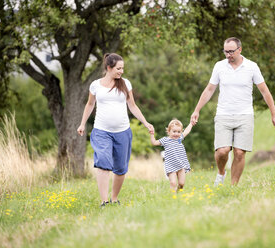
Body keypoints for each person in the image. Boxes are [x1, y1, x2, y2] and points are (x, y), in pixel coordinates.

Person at [191, 37, 275, 186]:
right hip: (223, 114)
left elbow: (264, 91)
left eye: (231, 51)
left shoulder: (252, 67)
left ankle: (233, 188)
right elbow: (209, 89)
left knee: (239, 153)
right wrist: (197, 110)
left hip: (245, 115)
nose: (228, 55)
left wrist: (274, 113)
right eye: (225, 52)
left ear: (240, 50)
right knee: (222, 151)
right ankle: (221, 173)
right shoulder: (219, 66)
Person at [77, 53, 154, 207]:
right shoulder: (95, 85)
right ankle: (104, 201)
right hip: (101, 131)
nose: (121, 71)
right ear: (109, 67)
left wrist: (145, 122)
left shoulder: (125, 84)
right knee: (103, 162)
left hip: (123, 131)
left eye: (123, 68)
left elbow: (132, 105)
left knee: (120, 168)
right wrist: (82, 123)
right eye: (118, 68)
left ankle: (114, 198)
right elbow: (90, 105)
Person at [150, 119, 194, 192]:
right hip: (171, 166)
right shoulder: (165, 140)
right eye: (174, 131)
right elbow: (154, 143)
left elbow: (186, 131)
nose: (176, 134)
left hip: (181, 165)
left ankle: (177, 194)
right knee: (173, 183)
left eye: (179, 132)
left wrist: (191, 124)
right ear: (169, 131)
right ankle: (172, 197)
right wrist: (152, 134)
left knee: (181, 184)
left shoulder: (179, 139)